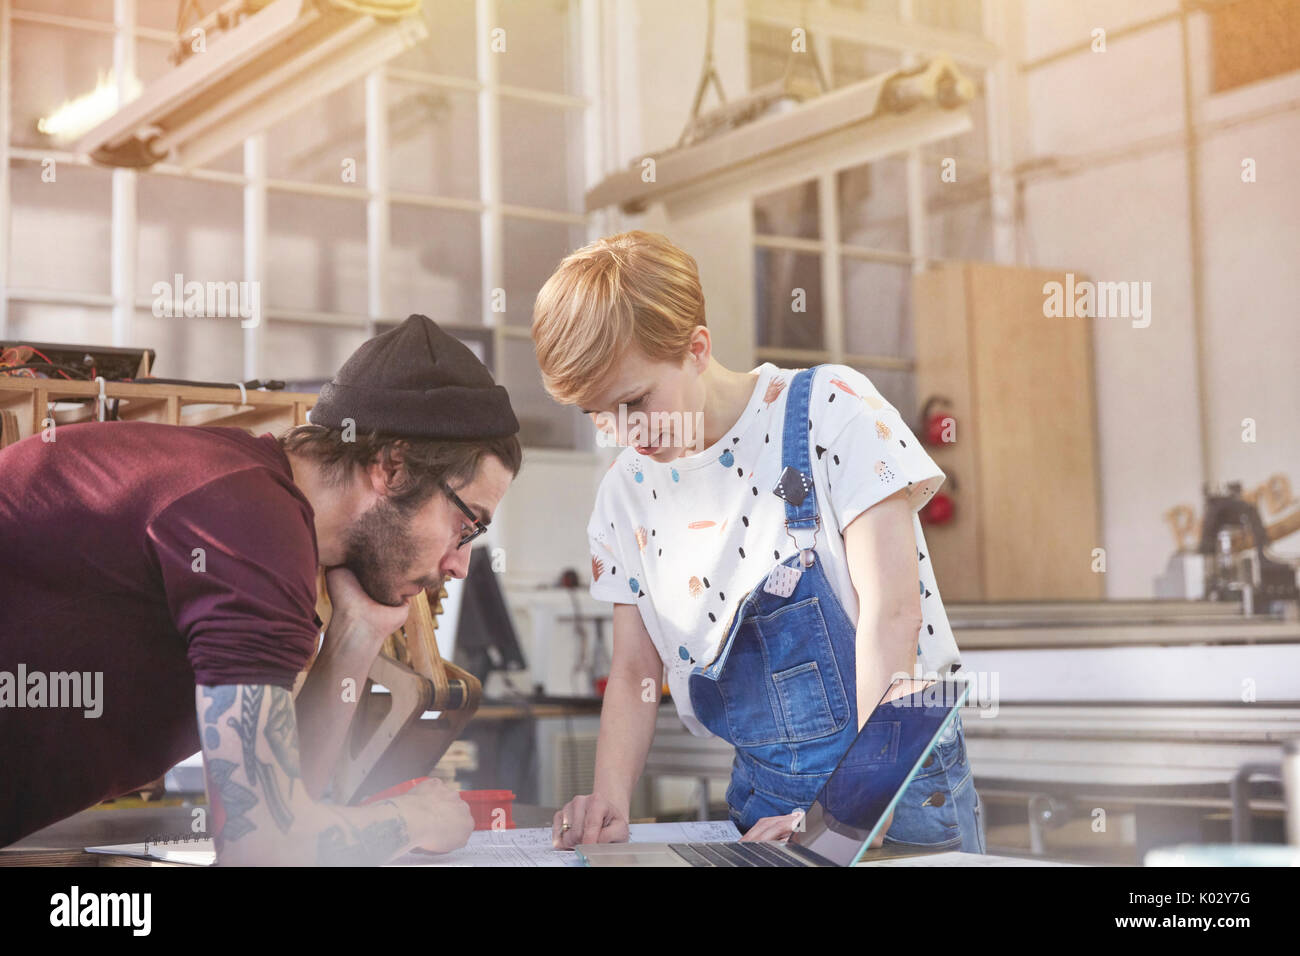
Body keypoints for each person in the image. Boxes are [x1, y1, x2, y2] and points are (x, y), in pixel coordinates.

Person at [0, 314, 522, 865]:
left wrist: (357, 632)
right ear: (392, 467)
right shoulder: (250, 523)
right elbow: (262, 850)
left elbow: (288, 800)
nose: (461, 564)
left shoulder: (255, 505)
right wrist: (411, 820)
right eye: (467, 524)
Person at [533, 231, 985, 853]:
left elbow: (893, 615)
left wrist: (845, 820)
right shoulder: (624, 495)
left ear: (697, 349)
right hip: (764, 805)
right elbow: (637, 669)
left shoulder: (829, 412)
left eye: (635, 400)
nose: (622, 432)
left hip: (893, 785)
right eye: (596, 414)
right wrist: (608, 801)